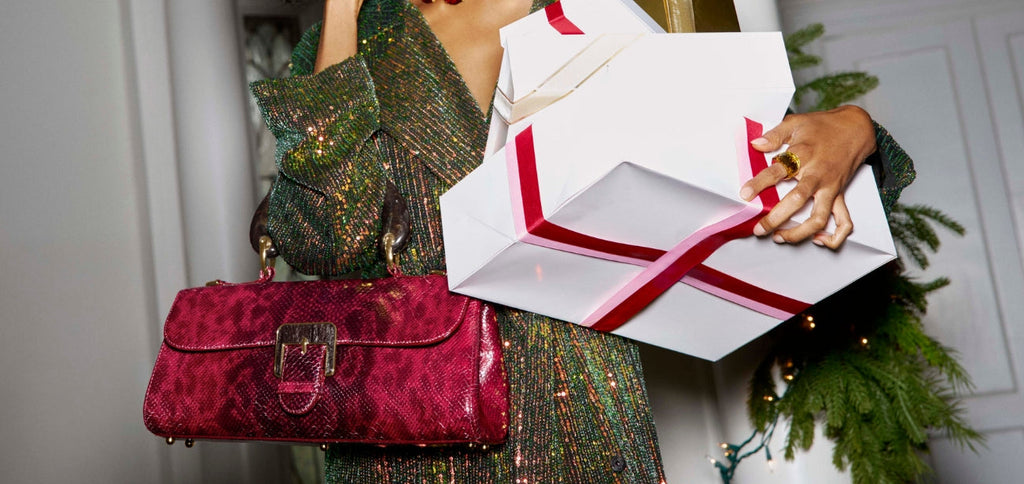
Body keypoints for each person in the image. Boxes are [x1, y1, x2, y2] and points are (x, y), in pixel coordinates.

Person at [249, 0, 914, 482]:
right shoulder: (353, 42)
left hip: (582, 410)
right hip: (408, 425)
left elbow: (740, 167)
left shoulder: (600, 11)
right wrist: (342, 10)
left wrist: (854, 131)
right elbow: (329, 239)